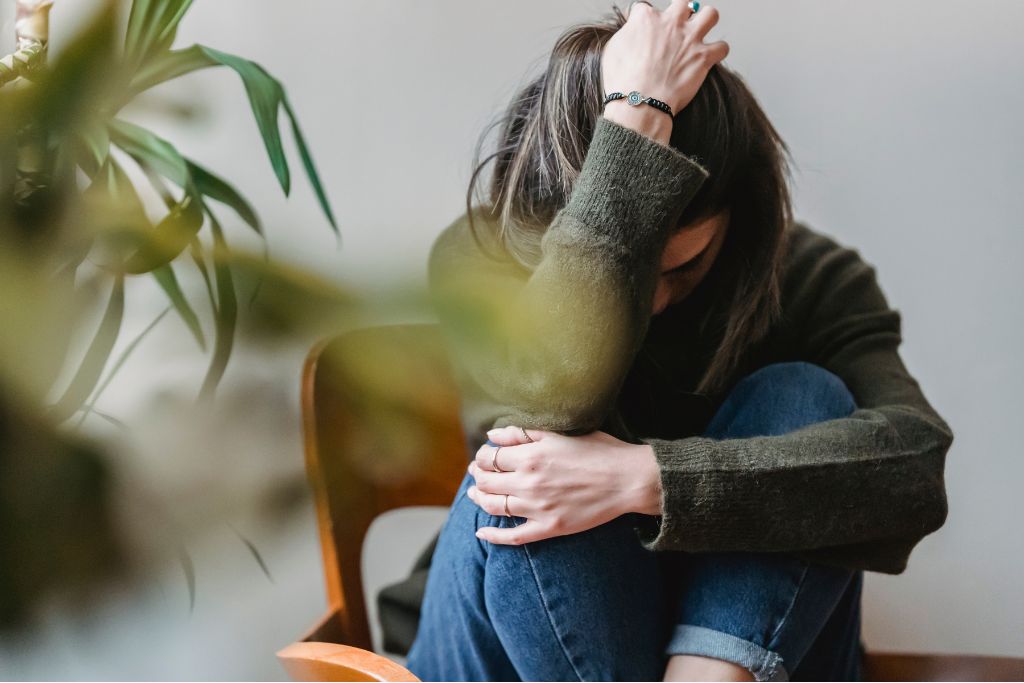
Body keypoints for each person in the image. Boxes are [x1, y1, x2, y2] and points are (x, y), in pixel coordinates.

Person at [379, 1, 952, 680]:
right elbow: (547, 409)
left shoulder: (805, 276)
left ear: (738, 222)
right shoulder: (482, 257)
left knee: (804, 394)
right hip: (504, 650)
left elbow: (911, 468)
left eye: (681, 268)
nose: (651, 298)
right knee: (531, 470)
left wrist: (643, 479)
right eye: (630, 264)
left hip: (726, 659)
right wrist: (636, 119)